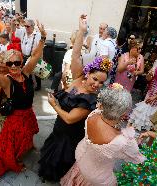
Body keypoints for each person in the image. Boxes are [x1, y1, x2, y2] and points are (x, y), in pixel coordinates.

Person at [38, 15, 111, 182]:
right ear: (87, 74)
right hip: (59, 128)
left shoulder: (90, 100)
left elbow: (70, 119)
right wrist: (82, 31)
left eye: (101, 82)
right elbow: (76, 54)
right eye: (95, 79)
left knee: (60, 159)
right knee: (51, 150)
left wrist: (54, 105)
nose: (97, 84)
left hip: (69, 135)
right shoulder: (78, 77)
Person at [0, 21, 46, 178]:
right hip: (15, 119)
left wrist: (42, 37)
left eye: (17, 62)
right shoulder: (6, 80)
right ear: (6, 65)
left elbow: (35, 55)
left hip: (28, 113)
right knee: (14, 143)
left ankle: (28, 147)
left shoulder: (26, 72)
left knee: (29, 134)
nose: (14, 66)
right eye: (10, 63)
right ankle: (16, 159)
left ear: (21, 62)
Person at [60, 83, 145, 186]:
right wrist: (135, 140)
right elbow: (137, 158)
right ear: (124, 115)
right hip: (97, 176)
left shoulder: (95, 113)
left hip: (81, 156)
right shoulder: (123, 141)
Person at [15, 19, 42, 91]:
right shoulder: (23, 32)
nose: (26, 28)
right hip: (24, 56)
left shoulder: (37, 35)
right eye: (25, 26)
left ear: (32, 26)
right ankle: (30, 84)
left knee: (36, 72)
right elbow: (14, 30)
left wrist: (37, 54)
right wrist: (16, 23)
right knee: (25, 72)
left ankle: (38, 86)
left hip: (33, 57)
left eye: (27, 26)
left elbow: (40, 47)